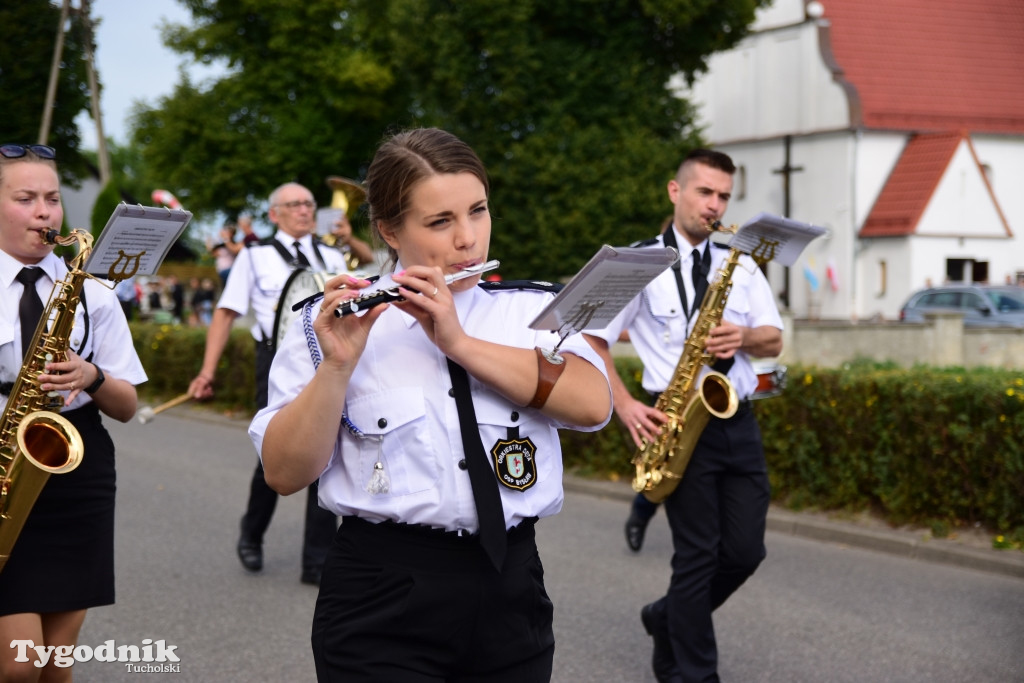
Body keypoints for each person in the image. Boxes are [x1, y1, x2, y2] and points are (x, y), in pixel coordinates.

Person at [249, 127, 612, 681]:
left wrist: (460, 344)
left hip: (511, 584)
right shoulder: (328, 321)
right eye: (441, 222)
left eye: (479, 210)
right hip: (380, 592)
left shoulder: (530, 310)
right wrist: (338, 366)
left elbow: (592, 405)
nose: (468, 238)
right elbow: (282, 472)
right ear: (390, 230)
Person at [584, 148, 783, 683]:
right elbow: (592, 340)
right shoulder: (637, 262)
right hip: (674, 422)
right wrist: (624, 405)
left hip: (735, 418)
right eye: (705, 192)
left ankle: (664, 615)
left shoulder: (739, 263)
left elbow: (775, 339)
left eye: (723, 196)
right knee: (696, 558)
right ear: (676, 191)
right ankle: (693, 673)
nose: (714, 205)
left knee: (745, 553)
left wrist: (742, 336)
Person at [0, 143, 147, 681]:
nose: (45, 212)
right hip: (4, 465)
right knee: (17, 664)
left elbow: (128, 406)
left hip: (75, 470)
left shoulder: (94, 294)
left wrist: (93, 375)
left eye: (53, 199)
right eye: (26, 198)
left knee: (56, 666)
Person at [188, 181, 351, 586]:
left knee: (327, 451)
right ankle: (252, 533)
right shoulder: (255, 256)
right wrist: (207, 371)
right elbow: (226, 313)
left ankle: (317, 560)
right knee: (274, 450)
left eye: (309, 204)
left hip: (326, 358)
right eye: (294, 204)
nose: (304, 210)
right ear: (274, 214)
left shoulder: (332, 255)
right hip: (276, 359)